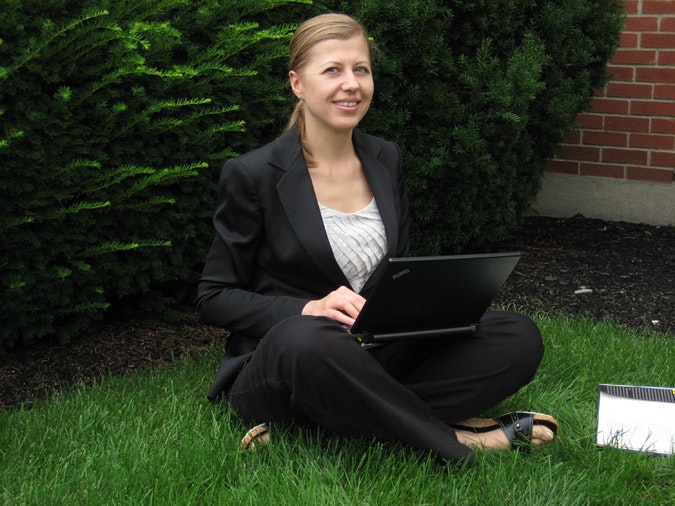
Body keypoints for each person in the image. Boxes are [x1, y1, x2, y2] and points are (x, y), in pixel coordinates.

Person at [196, 13, 558, 467]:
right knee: (310, 339)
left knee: (516, 335)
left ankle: (319, 424)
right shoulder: (252, 175)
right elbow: (213, 296)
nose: (351, 84)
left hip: (372, 349)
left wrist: (427, 307)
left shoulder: (385, 158)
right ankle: (457, 440)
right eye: (332, 70)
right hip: (290, 360)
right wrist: (305, 309)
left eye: (361, 69)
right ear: (297, 83)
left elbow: (395, 269)